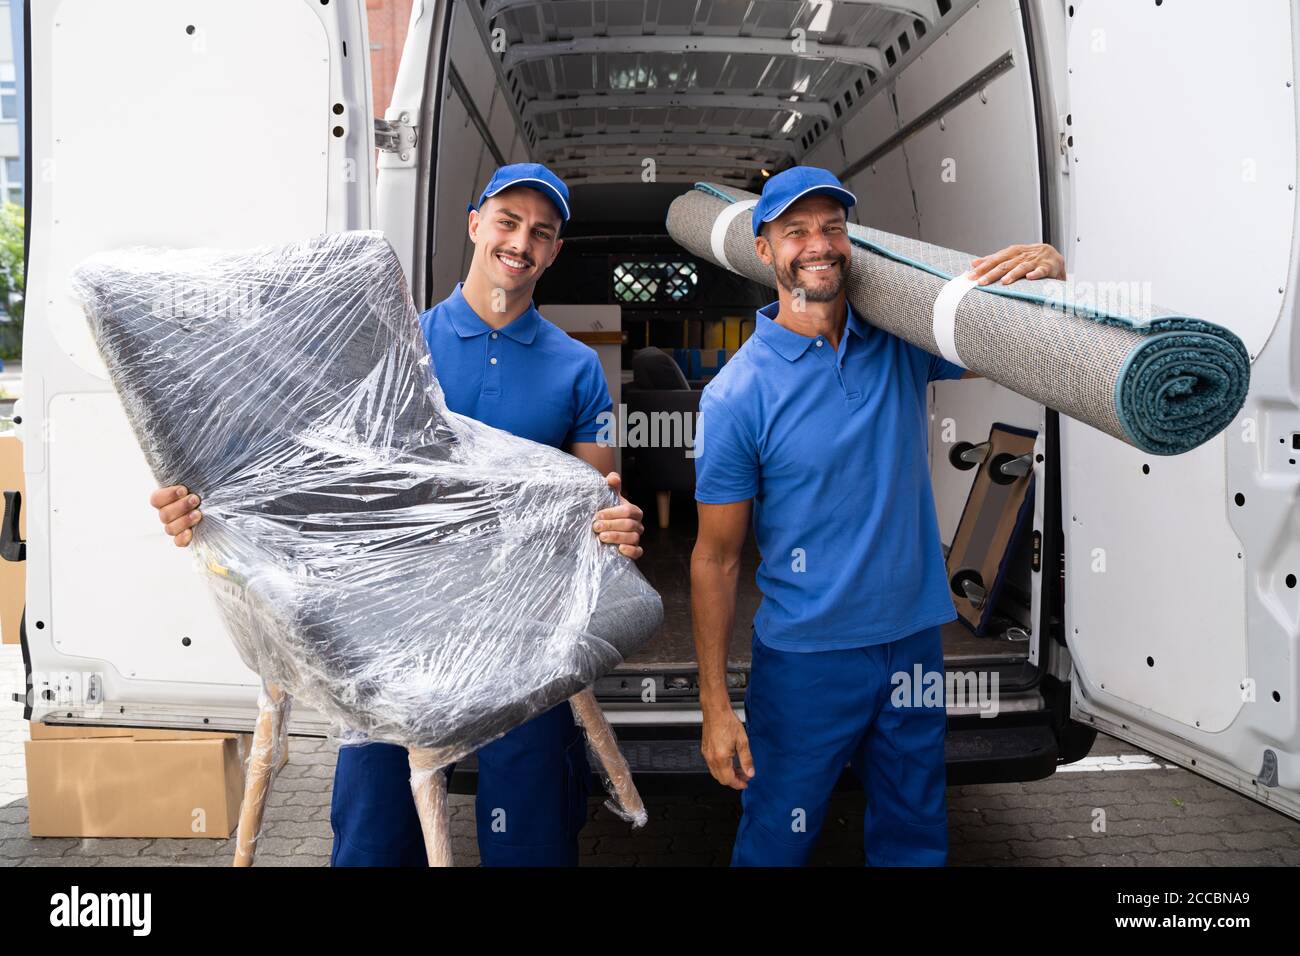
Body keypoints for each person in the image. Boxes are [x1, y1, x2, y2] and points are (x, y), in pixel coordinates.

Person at [149, 163, 645, 866]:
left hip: (524, 641)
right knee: (374, 843)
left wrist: (618, 526)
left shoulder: (577, 367)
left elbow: (595, 506)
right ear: (475, 225)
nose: (521, 242)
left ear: (554, 251)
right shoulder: (392, 346)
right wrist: (205, 513)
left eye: (542, 232)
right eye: (507, 221)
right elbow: (306, 480)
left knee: (532, 842)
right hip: (386, 639)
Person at [689, 165, 1064, 866]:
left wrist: (1047, 271)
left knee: (916, 837)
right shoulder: (737, 394)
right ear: (764, 251)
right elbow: (715, 558)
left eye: (833, 227)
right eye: (796, 230)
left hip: (913, 645)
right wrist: (714, 706)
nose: (819, 243)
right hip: (806, 661)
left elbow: (1017, 344)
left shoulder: (899, 343)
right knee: (777, 838)